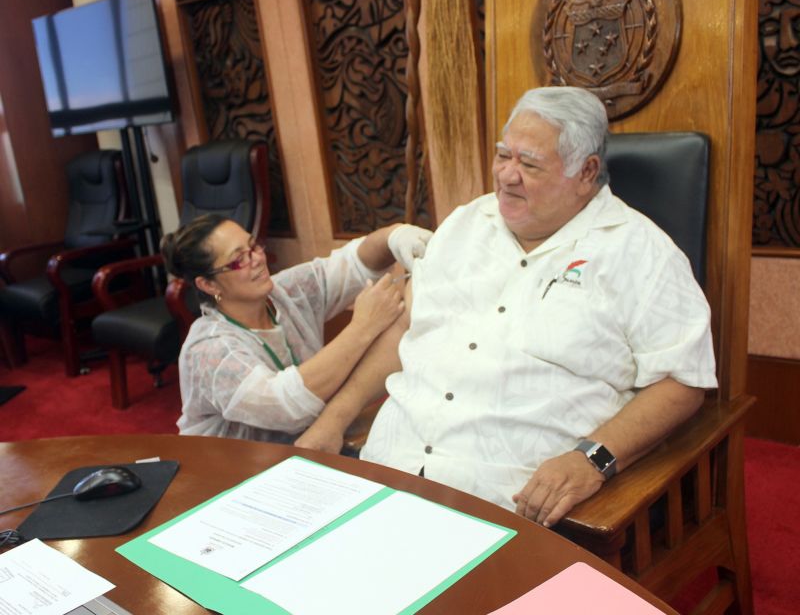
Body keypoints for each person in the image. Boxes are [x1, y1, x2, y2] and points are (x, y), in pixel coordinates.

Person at [296, 86, 718, 527]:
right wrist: (334, 418)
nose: (507, 176)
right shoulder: (464, 225)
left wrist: (592, 459)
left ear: (587, 172)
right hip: (388, 466)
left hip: (507, 500)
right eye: (503, 156)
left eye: (530, 163)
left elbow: (682, 381)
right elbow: (407, 330)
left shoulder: (640, 252)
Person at [161, 213, 432, 444]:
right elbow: (284, 407)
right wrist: (363, 327)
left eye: (254, 246)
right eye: (238, 259)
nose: (257, 259)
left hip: (301, 450)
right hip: (231, 474)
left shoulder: (285, 292)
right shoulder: (209, 351)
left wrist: (394, 235)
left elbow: (355, 263)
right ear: (208, 285)